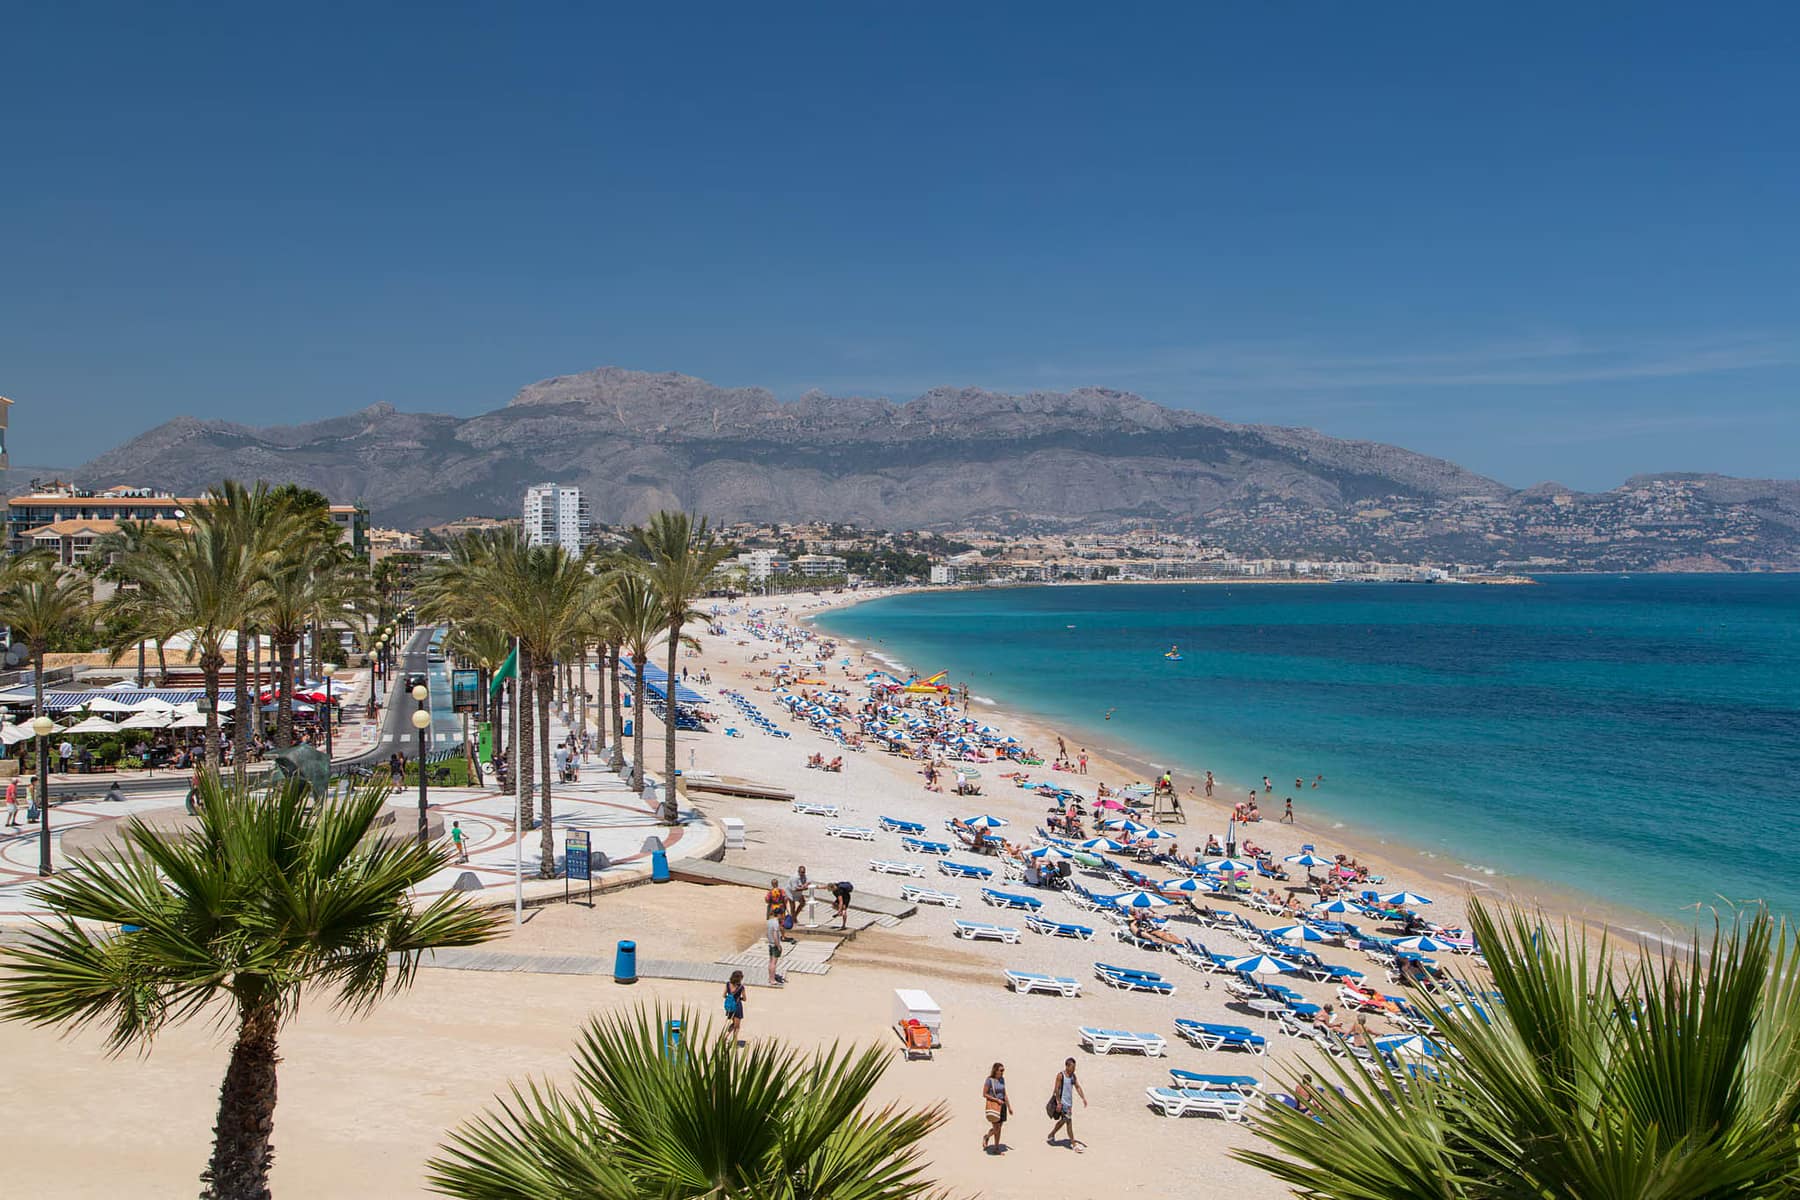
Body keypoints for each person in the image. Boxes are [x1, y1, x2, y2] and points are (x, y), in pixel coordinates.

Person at [1047, 1057, 1087, 1151]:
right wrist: (1059, 1103)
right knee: (1069, 1121)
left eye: (1074, 1067)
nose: (1074, 1069)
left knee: (1064, 1120)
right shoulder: (1060, 1076)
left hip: (1069, 1104)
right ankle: (1073, 1144)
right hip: (1062, 1103)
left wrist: (1083, 1098)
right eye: (1072, 1067)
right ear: (1067, 1066)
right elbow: (1056, 1089)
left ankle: (1052, 1134)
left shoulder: (1073, 1076)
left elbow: (1077, 1087)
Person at [982, 1062, 1011, 1153]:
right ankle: (995, 1147)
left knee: (999, 1127)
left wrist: (1009, 1106)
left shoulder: (1002, 1079)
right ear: (996, 1070)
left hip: (1002, 1105)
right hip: (995, 1105)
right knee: (996, 1128)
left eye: (1003, 1070)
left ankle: (989, 1139)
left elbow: (1004, 1094)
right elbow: (984, 1094)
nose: (1003, 1072)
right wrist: (996, 1100)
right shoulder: (989, 1080)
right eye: (1001, 1070)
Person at [723, 970, 747, 1046]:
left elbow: (724, 995)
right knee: (737, 1026)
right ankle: (733, 1040)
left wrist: (730, 998)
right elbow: (745, 999)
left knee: (733, 1023)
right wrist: (740, 999)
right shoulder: (741, 987)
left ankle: (726, 1036)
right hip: (737, 1006)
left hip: (730, 1007)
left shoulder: (728, 984)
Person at [764, 913, 785, 986]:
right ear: (779, 915)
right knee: (773, 963)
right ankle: (772, 979)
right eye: (782, 915)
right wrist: (778, 946)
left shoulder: (769, 921)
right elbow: (775, 936)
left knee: (770, 962)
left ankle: (770, 978)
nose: (782, 916)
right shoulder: (776, 924)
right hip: (774, 944)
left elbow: (767, 933)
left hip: (770, 943)